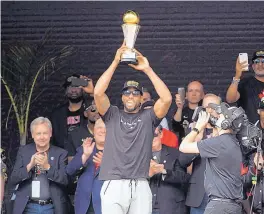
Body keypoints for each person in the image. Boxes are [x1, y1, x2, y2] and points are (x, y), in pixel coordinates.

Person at [94, 42, 172, 214]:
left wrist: (147, 69)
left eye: (135, 93)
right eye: (126, 93)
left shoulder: (148, 117)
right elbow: (98, 93)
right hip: (113, 183)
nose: (130, 95)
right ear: (121, 97)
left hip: (140, 183)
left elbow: (166, 99)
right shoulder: (112, 114)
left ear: (141, 98)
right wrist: (115, 61)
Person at [179, 103, 244, 214]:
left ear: (226, 122)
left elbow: (183, 147)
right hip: (233, 206)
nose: (216, 117)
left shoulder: (219, 143)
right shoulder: (233, 143)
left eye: (220, 116)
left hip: (218, 206)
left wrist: (197, 127)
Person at [10, 117, 69, 214]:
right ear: (32, 135)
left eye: (45, 133)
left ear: (50, 133)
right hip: (27, 206)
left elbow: (65, 180)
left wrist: (47, 167)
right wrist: (29, 166)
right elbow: (13, 179)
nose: (42, 137)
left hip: (51, 207)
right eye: (38, 133)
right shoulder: (24, 152)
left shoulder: (60, 153)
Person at [179, 93, 221, 214]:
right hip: (199, 195)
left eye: (214, 107)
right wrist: (198, 136)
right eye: (206, 107)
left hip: (222, 195)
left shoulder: (227, 131)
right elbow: (182, 161)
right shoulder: (193, 131)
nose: (210, 110)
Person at [66, 118, 105, 214]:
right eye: (99, 127)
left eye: (106, 128)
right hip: (84, 206)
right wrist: (85, 156)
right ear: (94, 131)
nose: (103, 131)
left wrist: (106, 164)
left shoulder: (117, 151)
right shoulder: (85, 148)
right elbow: (69, 171)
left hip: (106, 206)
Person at [149, 126, 190, 214]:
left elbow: (184, 178)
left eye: (154, 135)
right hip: (147, 205)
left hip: (171, 206)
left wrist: (164, 172)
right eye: (148, 135)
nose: (151, 138)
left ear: (161, 134)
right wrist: (148, 174)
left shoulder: (174, 153)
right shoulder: (140, 155)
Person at [51, 74, 94, 149]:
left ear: (83, 89)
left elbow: (104, 109)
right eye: (70, 87)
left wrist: (92, 92)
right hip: (63, 156)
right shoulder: (57, 114)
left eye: (77, 87)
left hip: (87, 154)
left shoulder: (92, 111)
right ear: (66, 90)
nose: (74, 90)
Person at [226, 50, 264, 124]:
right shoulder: (245, 83)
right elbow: (230, 99)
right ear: (252, 66)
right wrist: (237, 75)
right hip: (248, 132)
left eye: (263, 61)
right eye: (256, 62)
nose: (260, 65)